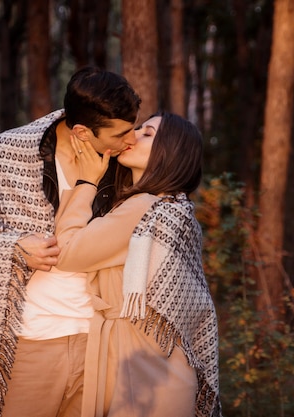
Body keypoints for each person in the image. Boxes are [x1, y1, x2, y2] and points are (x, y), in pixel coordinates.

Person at [0, 67, 141, 417]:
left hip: (97, 343)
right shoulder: (12, 152)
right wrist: (14, 247)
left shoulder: (124, 164)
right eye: (122, 133)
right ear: (82, 131)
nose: (131, 140)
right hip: (28, 344)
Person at [53, 112, 221, 417]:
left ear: (170, 151)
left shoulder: (142, 209)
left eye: (147, 134)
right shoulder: (174, 209)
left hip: (140, 373)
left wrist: (86, 182)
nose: (132, 136)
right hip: (160, 367)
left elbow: (65, 252)